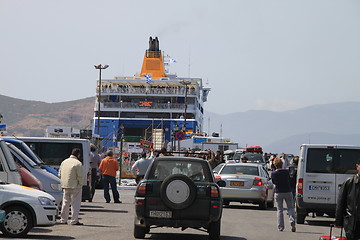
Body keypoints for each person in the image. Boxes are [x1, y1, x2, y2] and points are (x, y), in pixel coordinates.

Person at [335, 160, 360, 240]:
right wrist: (338, 221)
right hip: (352, 223)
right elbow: (341, 202)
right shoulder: (349, 182)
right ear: (357, 167)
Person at [58, 148, 84, 225]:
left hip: (65, 185)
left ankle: (63, 219)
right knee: (75, 204)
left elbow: (59, 174)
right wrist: (80, 184)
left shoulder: (64, 162)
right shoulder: (78, 163)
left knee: (65, 203)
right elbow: (80, 176)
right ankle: (74, 220)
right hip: (75, 186)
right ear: (78, 155)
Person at [271, 157, 296, 232]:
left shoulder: (273, 173)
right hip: (287, 191)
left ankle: (281, 227)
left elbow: (273, 182)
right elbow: (289, 179)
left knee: (280, 210)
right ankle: (292, 220)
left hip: (278, 191)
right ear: (282, 164)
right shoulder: (286, 172)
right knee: (290, 208)